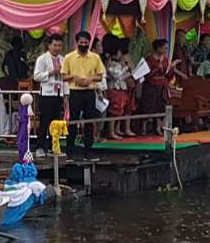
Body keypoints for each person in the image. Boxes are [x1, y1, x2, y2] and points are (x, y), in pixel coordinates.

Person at [62, 30, 105, 159]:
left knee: (89, 121)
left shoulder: (95, 57)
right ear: (77, 43)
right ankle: (70, 149)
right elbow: (64, 76)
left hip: (89, 92)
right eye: (81, 42)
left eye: (86, 43)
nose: (84, 45)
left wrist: (90, 79)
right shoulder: (69, 57)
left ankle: (88, 149)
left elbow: (100, 76)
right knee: (73, 121)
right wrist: (75, 78)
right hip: (75, 92)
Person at [32, 32, 66, 155]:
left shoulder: (63, 59)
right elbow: (36, 76)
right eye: (55, 45)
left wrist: (65, 95)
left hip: (58, 93)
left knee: (56, 122)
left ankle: (54, 147)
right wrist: (51, 72)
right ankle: (40, 147)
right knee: (45, 121)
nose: (57, 48)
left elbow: (65, 79)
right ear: (49, 46)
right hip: (46, 94)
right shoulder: (42, 59)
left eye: (59, 45)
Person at [139, 39, 175, 135]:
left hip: (162, 85)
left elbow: (167, 74)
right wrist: (156, 69)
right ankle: (143, 127)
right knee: (148, 106)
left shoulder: (165, 59)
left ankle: (159, 128)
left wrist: (171, 68)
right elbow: (145, 74)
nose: (166, 50)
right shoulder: (149, 59)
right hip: (151, 85)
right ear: (158, 48)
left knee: (161, 106)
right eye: (164, 48)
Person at [104, 41, 136, 139]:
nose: (121, 54)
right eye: (119, 52)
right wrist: (127, 69)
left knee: (120, 110)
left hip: (121, 88)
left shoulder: (119, 63)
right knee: (114, 110)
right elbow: (117, 76)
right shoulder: (111, 64)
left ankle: (116, 129)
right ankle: (111, 131)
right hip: (114, 88)